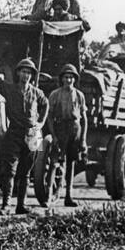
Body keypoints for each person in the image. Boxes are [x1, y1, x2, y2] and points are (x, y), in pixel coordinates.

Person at [0, 57, 49, 216]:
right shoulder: (9, 89)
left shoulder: (37, 93)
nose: (26, 75)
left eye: (29, 73)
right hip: (14, 133)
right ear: (18, 73)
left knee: (26, 173)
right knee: (9, 171)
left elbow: (46, 104)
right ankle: (6, 205)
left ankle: (21, 206)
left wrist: (41, 123)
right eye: (23, 72)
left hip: (33, 134)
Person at [47, 63, 88, 207]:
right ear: (62, 79)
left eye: (71, 77)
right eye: (66, 77)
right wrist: (54, 135)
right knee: (55, 161)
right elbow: (50, 117)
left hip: (75, 128)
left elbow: (84, 119)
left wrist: (83, 139)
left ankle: (68, 196)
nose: (68, 80)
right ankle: (49, 195)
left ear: (74, 79)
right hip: (60, 128)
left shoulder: (79, 95)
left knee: (71, 163)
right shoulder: (55, 95)